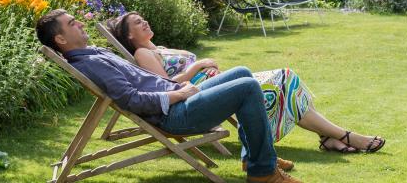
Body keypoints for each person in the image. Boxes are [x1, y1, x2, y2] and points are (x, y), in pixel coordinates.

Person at [36, 9, 301, 183]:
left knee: (241, 73)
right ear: (60, 39)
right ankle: (263, 173)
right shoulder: (90, 63)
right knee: (247, 87)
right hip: (173, 114)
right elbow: (131, 99)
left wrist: (176, 89)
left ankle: (254, 156)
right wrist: (178, 94)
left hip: (176, 97)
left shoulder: (93, 53)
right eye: (73, 23)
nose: (80, 22)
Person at [109, 12, 386, 157]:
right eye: (137, 22)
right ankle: (342, 136)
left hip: (216, 83)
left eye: (143, 18)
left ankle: (331, 137)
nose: (144, 22)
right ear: (129, 35)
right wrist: (198, 66)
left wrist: (207, 68)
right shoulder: (142, 54)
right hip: (202, 95)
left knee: (286, 81)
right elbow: (166, 85)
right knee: (283, 79)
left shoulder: (159, 47)